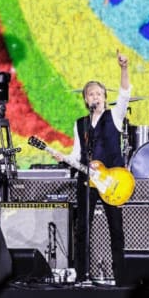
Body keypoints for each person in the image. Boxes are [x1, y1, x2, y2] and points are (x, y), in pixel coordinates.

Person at [54, 51, 130, 284]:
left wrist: (124, 68)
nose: (95, 97)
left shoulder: (114, 116)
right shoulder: (81, 123)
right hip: (87, 180)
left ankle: (121, 277)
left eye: (98, 93)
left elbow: (126, 93)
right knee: (82, 229)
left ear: (105, 97)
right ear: (86, 99)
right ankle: (81, 275)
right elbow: (77, 154)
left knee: (115, 229)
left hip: (112, 180)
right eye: (90, 94)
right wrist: (62, 157)